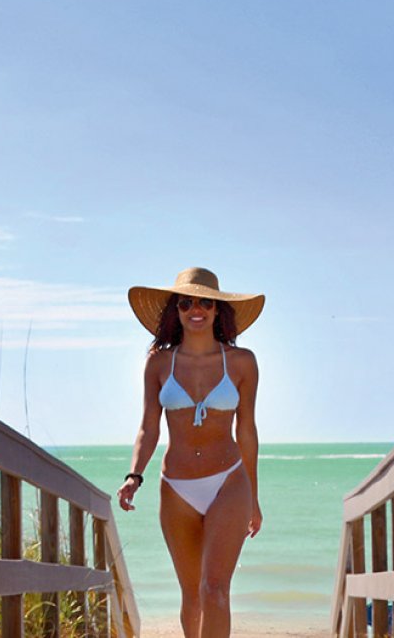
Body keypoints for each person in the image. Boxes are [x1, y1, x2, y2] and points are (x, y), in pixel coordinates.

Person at [116, 267, 264, 638]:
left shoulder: (242, 362)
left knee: (214, 590)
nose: (195, 309)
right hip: (176, 488)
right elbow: (149, 426)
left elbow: (246, 431)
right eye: (186, 302)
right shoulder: (159, 363)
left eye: (204, 302)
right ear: (176, 311)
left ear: (217, 310)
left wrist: (254, 498)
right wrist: (135, 474)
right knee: (192, 595)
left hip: (229, 481)